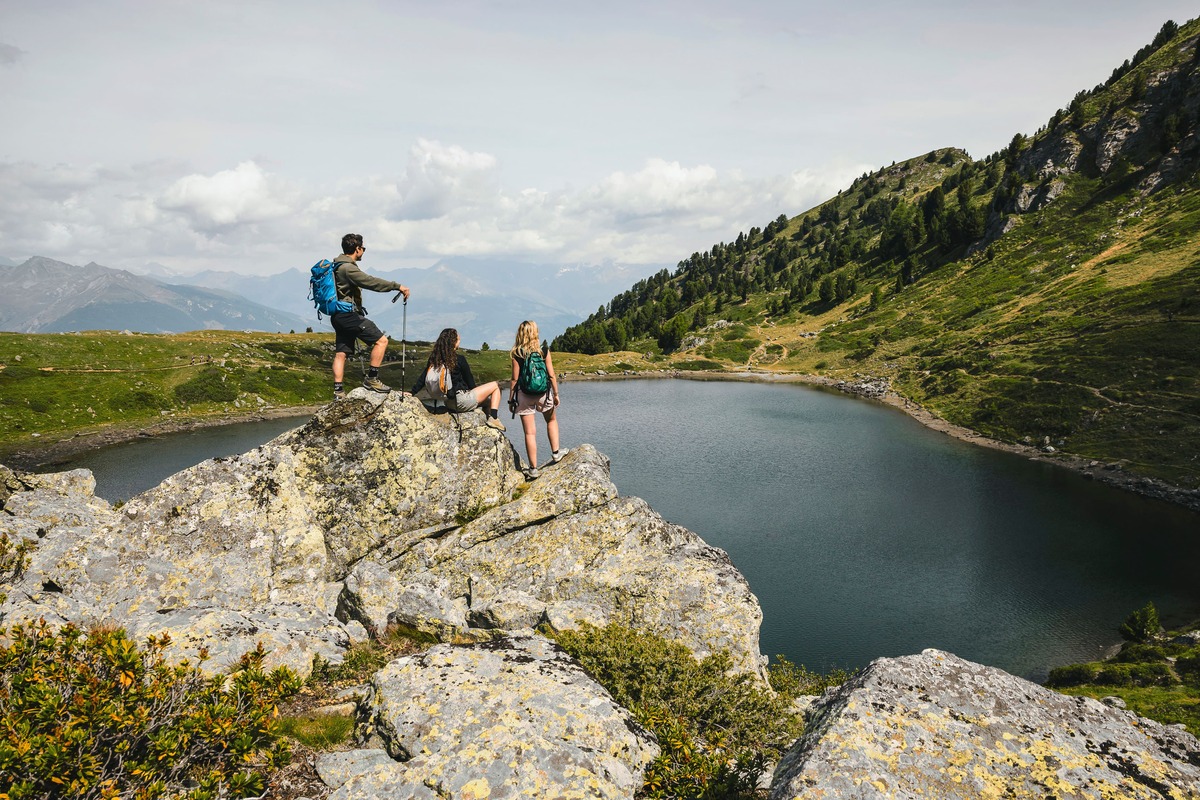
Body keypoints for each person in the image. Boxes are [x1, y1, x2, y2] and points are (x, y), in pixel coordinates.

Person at [329, 233, 410, 399]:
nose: (363, 252)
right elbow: (371, 282)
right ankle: (372, 379)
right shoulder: (348, 268)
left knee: (341, 353)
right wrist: (397, 286)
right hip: (349, 315)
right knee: (381, 341)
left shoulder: (336, 265)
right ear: (357, 249)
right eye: (363, 248)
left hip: (337, 315)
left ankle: (338, 391)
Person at [413, 328, 506, 431]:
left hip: (448, 402)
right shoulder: (459, 359)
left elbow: (423, 378)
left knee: (489, 402)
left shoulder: (435, 360)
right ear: (453, 342)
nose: (460, 341)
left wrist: (412, 392)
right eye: (458, 339)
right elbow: (471, 385)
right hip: (461, 401)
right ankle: (494, 418)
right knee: (496, 386)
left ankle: (488, 421)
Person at [508, 320, 566, 479]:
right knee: (551, 420)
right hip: (543, 394)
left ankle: (533, 469)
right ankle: (555, 453)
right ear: (535, 333)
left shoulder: (517, 353)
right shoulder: (544, 351)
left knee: (529, 432)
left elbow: (514, 380)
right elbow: (552, 374)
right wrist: (556, 394)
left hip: (524, 396)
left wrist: (511, 400)